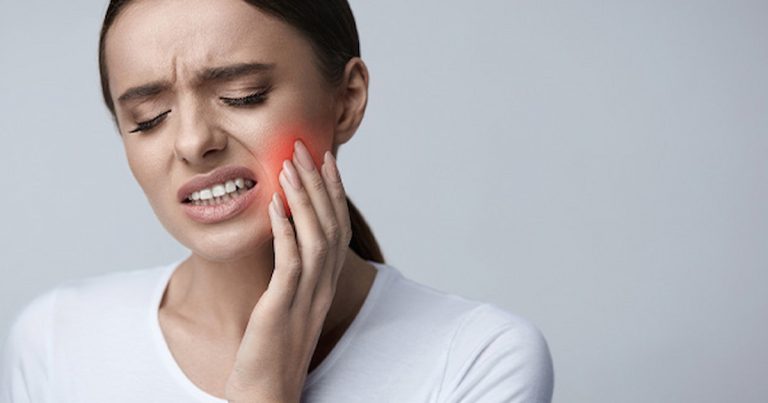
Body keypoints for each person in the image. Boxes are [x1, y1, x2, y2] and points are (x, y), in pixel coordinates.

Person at [0, 0, 554, 401]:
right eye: (149, 119)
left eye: (244, 96)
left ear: (346, 100)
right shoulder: (58, 338)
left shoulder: (477, 358)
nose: (194, 143)